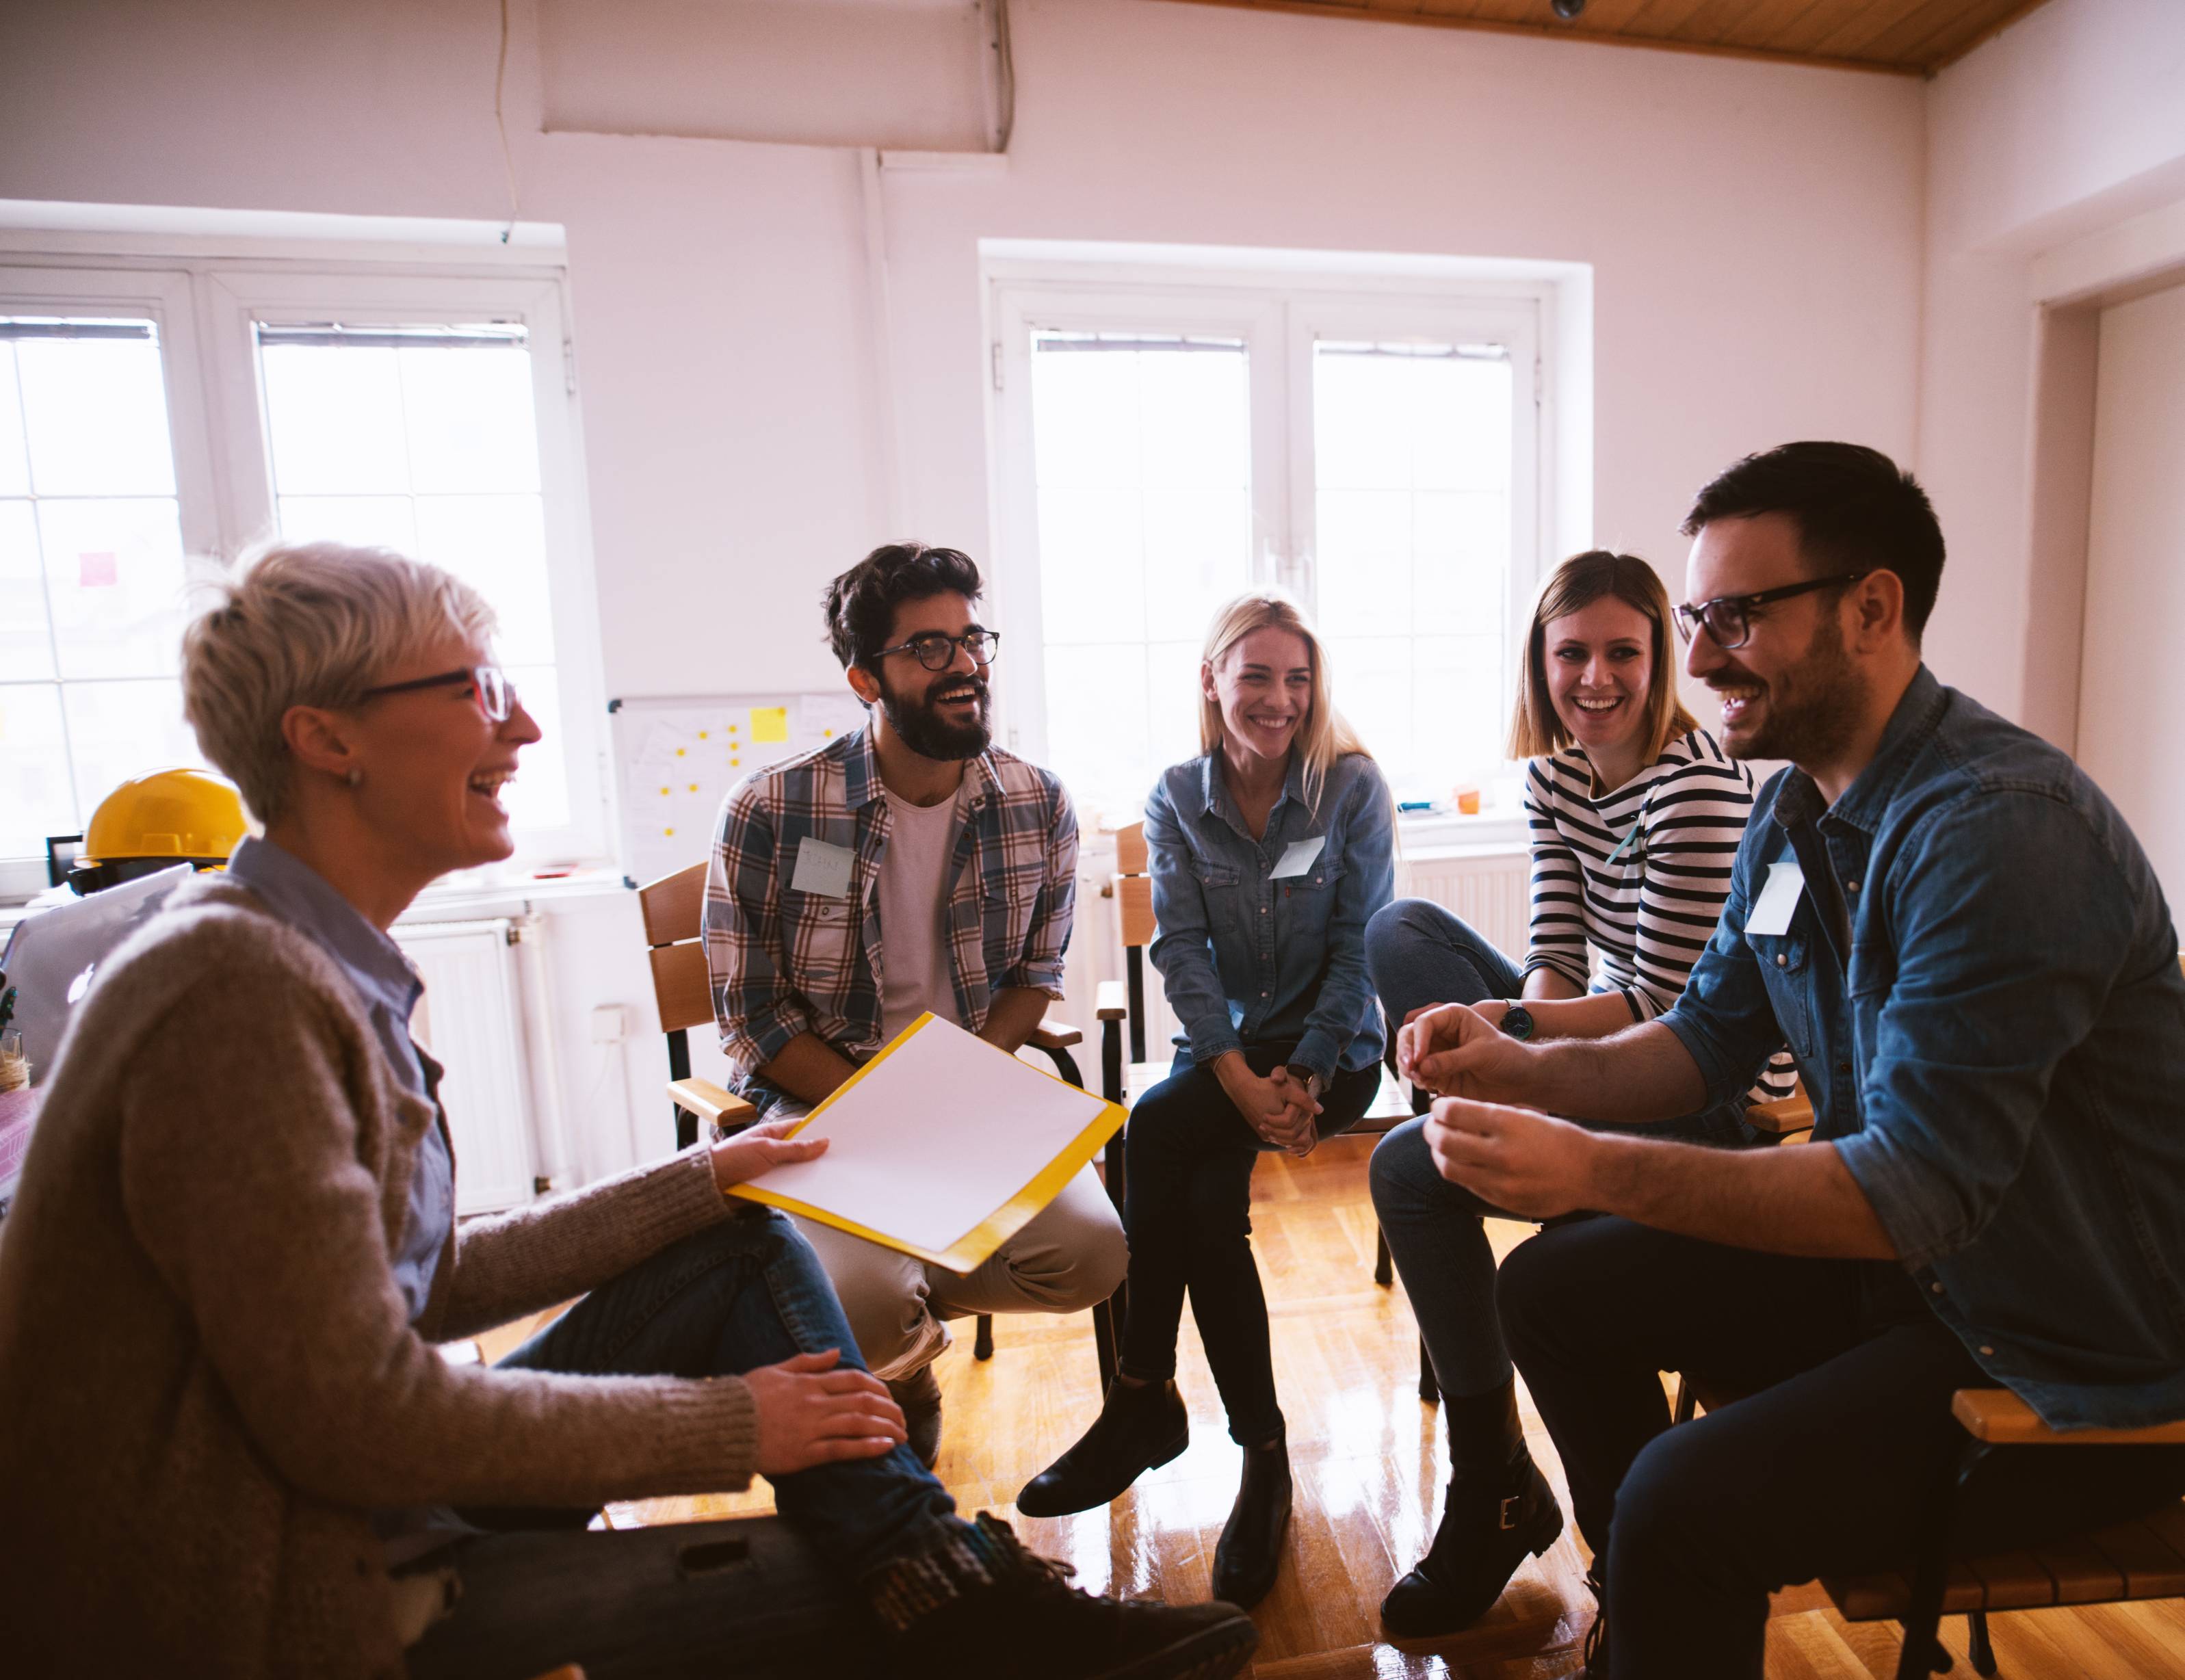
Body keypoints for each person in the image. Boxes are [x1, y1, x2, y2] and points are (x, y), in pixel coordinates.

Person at [0, 542, 1257, 1680]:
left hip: (333, 1493)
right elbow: (358, 1422)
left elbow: (422, 1285)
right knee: (845, 1589)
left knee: (741, 1234)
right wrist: (736, 1421)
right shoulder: (234, 991)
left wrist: (697, 1184)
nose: (531, 724)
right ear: (329, 739)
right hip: (269, 1579)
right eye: (476, 690)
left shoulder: (298, 955)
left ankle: (932, 1570)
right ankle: (940, 1580)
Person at [1402, 444, 2185, 1679]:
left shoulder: (1997, 833)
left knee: (1680, 1499)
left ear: (1869, 608)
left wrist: (1590, 1171)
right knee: (1547, 1295)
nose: (1699, 657)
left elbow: (1913, 1189)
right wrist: (1508, 1059)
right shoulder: (1794, 813)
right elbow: (1700, 1043)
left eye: (1734, 617)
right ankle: (1653, 1618)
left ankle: (1657, 1590)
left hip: (2055, 1354)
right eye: (1700, 616)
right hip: (1917, 1281)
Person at [1363, 550, 1795, 1635]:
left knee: (1409, 1168)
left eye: (1622, 653)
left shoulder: (1695, 784)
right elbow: (1555, 956)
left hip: (1712, 1093)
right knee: (1401, 930)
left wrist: (1509, 1046)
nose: (1594, 678)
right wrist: (1514, 1035)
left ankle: (1497, 1495)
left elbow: (1663, 1011)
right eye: (1571, 653)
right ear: (1539, 661)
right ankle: (1502, 1477)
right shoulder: (1555, 776)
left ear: (1660, 662)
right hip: (1613, 1042)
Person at [705, 542, 1127, 1466]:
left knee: (1094, 1257)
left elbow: (1033, 978)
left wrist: (954, 1092)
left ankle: (901, 1301)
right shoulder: (775, 810)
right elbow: (752, 1014)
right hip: (818, 1107)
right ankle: (903, 1370)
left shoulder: (1036, 803)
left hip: (966, 1100)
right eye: (929, 648)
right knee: (858, 1302)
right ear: (865, 677)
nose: (965, 665)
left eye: (972, 639)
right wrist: (881, 1116)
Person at [1017, 591, 1396, 1610]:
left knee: (1152, 1131)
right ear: (1211, 679)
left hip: (1333, 1045)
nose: (1278, 699)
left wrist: (1307, 1074)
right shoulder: (1178, 795)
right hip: (1225, 1053)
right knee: (1198, 1193)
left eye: (1297, 678)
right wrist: (1236, 1074)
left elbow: (1361, 942)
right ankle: (1259, 1456)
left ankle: (1144, 1400)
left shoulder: (1347, 788)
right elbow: (1178, 947)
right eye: (1257, 674)